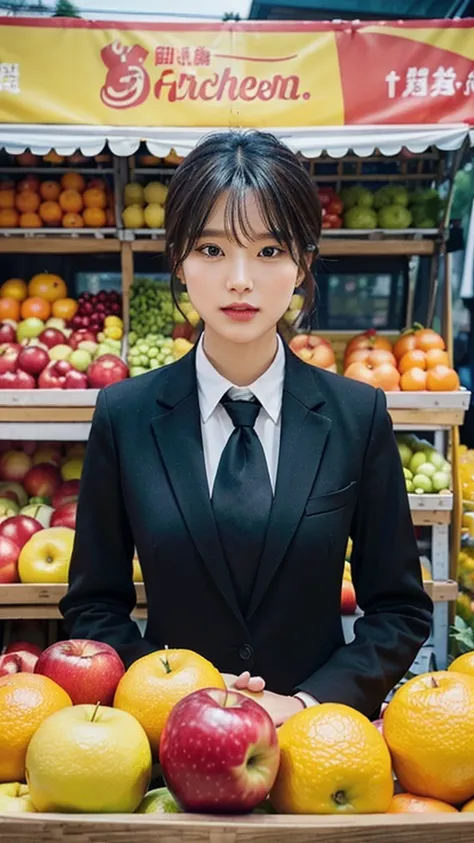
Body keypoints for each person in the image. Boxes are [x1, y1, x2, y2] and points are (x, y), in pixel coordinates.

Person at [60, 130, 433, 725]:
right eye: (211, 250)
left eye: (268, 250)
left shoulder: (356, 416)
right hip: (165, 753)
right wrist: (169, 698)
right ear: (179, 260)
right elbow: (94, 604)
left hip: (315, 751)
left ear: (302, 263)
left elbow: (399, 608)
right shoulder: (125, 416)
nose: (240, 279)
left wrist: (307, 704)